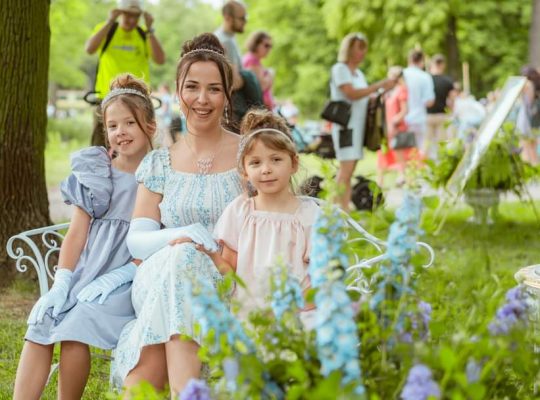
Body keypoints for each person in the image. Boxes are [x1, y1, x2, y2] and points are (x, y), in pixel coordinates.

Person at [110, 33, 244, 397]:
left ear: (227, 95)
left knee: (178, 290)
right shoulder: (160, 161)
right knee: (182, 260)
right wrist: (181, 236)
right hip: (161, 271)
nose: (203, 99)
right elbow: (138, 240)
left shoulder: (249, 155)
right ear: (178, 91)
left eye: (214, 89)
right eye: (193, 87)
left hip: (226, 277)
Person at [13, 74, 156, 400]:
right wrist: (62, 282)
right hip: (86, 271)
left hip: (128, 278)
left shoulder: (160, 174)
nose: (121, 132)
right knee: (43, 322)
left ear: (150, 125)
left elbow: (155, 236)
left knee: (77, 326)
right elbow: (76, 234)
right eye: (113, 125)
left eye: (130, 123)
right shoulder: (97, 171)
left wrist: (122, 275)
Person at [195, 109, 318, 324]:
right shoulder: (240, 211)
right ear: (244, 170)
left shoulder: (308, 214)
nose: (266, 170)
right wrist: (211, 255)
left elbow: (318, 278)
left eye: (276, 159)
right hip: (250, 318)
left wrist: (294, 310)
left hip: (297, 315)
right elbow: (229, 272)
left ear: (294, 163)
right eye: (255, 163)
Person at [85, 0, 165, 147]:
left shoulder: (143, 34)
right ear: (120, 13)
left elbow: (160, 59)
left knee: (139, 147)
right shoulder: (108, 30)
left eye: (136, 16)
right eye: (128, 15)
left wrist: (150, 30)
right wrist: (110, 21)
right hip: (105, 99)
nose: (132, 20)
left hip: (137, 101)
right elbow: (89, 49)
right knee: (99, 148)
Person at [329, 33, 394, 211]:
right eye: (359, 47)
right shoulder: (340, 69)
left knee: (349, 172)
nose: (362, 52)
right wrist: (378, 85)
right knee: (345, 171)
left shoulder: (359, 74)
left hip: (358, 129)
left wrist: (379, 93)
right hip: (346, 128)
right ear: (349, 49)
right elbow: (351, 93)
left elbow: (364, 97)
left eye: (364, 48)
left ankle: (343, 208)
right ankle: (336, 210)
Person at [214, 1, 264, 126]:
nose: (245, 21)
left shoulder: (229, 38)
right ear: (227, 17)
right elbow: (233, 83)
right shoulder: (225, 42)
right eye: (242, 18)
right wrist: (250, 77)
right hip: (235, 112)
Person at [377, 66, 411, 187]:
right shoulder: (388, 91)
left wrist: (394, 122)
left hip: (397, 127)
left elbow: (404, 110)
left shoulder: (402, 90)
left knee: (399, 154)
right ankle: (379, 180)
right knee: (382, 154)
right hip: (386, 127)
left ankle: (402, 177)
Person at [403, 49, 435, 153]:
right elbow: (430, 101)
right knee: (422, 150)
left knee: (405, 150)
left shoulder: (402, 74)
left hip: (403, 118)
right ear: (421, 61)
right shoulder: (425, 77)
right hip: (419, 118)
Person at [426, 54, 455, 158]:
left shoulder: (426, 79)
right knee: (441, 144)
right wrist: (451, 112)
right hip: (441, 115)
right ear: (442, 65)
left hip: (427, 115)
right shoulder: (448, 81)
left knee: (426, 145)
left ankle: (426, 167)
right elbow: (452, 100)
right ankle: (440, 165)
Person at [242, 30, 275, 110]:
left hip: (262, 109)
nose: (268, 49)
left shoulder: (255, 61)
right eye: (266, 45)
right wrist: (270, 75)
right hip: (259, 110)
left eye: (270, 46)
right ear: (256, 44)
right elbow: (260, 87)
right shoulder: (251, 61)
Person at [516, 65, 540, 165]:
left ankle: (532, 171)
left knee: (526, 147)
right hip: (533, 118)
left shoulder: (527, 84)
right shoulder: (536, 85)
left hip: (527, 118)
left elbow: (527, 102)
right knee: (532, 147)